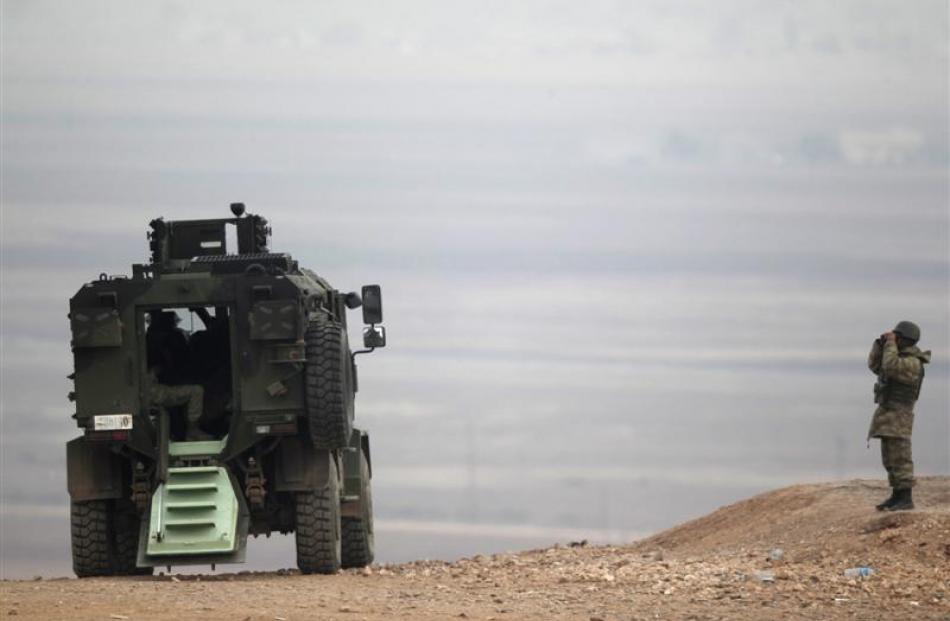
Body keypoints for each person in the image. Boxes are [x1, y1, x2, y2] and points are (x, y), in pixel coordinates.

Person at [867, 320, 930, 511]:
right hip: (888, 413)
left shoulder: (912, 363)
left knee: (900, 456)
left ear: (904, 340)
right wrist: (880, 345)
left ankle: (905, 498)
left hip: (899, 414)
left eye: (897, 337)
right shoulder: (897, 356)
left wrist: (891, 345)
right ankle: (896, 496)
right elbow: (876, 365)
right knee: (889, 457)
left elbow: (890, 366)